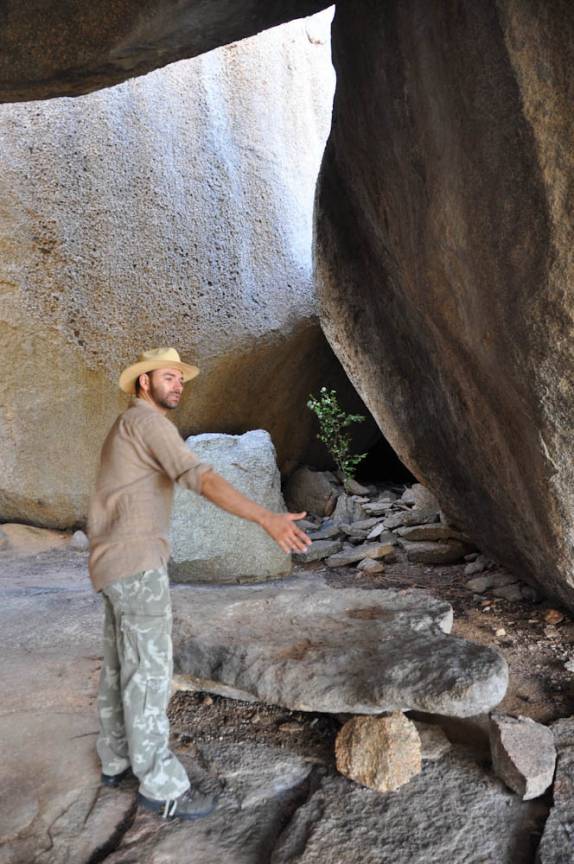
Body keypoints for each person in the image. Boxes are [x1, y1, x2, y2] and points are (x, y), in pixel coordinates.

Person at [88, 347, 311, 821]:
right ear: (144, 382)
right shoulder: (148, 424)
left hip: (111, 565)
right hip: (136, 563)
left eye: (181, 378)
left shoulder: (124, 427)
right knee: (148, 673)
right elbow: (201, 478)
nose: (178, 384)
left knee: (119, 665)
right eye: (168, 376)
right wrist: (267, 518)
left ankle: (116, 760)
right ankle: (161, 785)